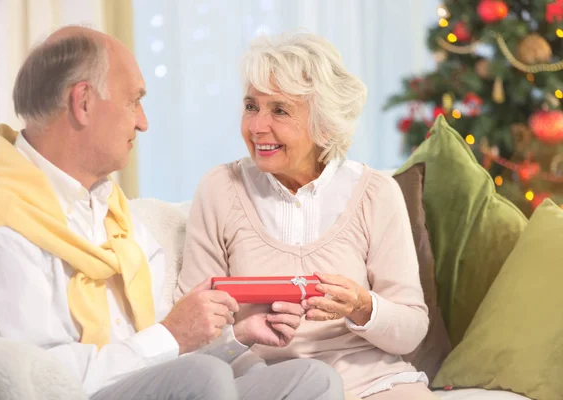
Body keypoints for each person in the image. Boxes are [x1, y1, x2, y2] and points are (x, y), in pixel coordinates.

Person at [0, 26, 344, 400]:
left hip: (148, 379)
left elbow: (163, 351)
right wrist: (172, 335)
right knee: (203, 375)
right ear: (83, 103)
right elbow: (37, 380)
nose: (142, 122)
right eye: (133, 101)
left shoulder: (110, 208)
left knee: (312, 379)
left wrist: (237, 336)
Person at [175, 32, 438, 399]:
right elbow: (191, 328)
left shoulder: (376, 193)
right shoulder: (220, 189)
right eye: (252, 106)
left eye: (279, 110)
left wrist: (362, 306)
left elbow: (411, 328)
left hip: (374, 384)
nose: (256, 127)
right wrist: (244, 334)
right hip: (267, 385)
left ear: (325, 124)